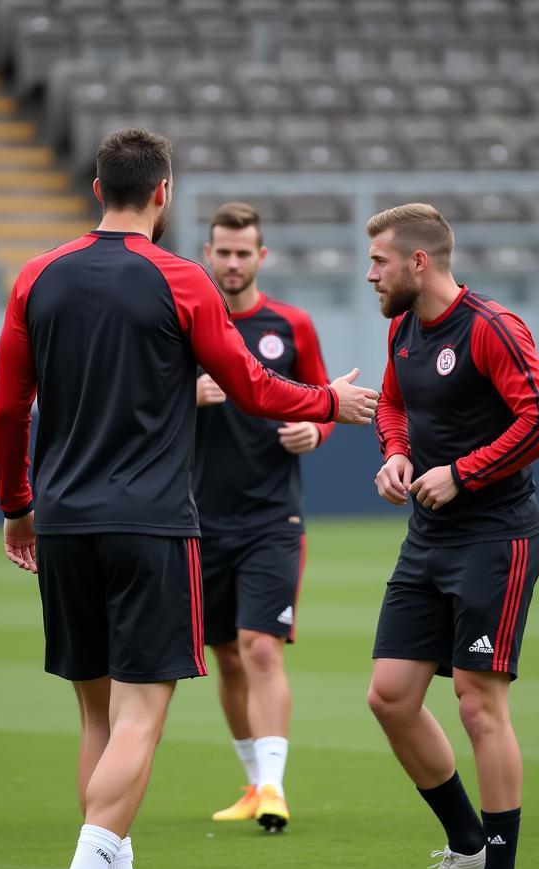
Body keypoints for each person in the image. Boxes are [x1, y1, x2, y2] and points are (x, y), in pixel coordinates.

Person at [0, 128, 377, 869]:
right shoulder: (181, 279)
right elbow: (250, 385)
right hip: (152, 526)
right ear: (163, 194)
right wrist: (329, 399)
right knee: (141, 717)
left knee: (97, 714)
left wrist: (17, 509)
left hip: (60, 524)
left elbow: (6, 409)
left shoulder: (37, 277)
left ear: (98, 187)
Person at [365, 204, 539, 869]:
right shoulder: (402, 328)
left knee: (479, 705)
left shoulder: (491, 327)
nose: (369, 273)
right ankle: (466, 847)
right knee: (389, 697)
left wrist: (463, 473)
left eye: (379, 260)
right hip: (429, 538)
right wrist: (395, 452)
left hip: (496, 537)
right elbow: (393, 403)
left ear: (419, 262)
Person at [195, 202, 333, 833]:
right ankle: (253, 782)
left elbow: (322, 402)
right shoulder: (184, 323)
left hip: (272, 518)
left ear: (261, 256)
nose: (231, 262)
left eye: (242, 252)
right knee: (224, 653)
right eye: (222, 251)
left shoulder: (291, 324)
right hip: (197, 520)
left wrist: (315, 429)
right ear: (209, 251)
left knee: (260, 648)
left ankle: (274, 786)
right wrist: (182, 394)